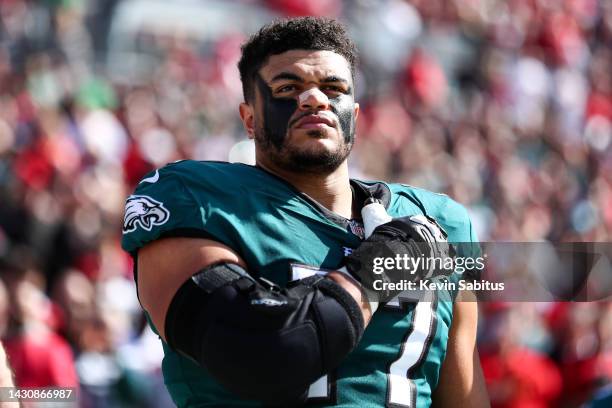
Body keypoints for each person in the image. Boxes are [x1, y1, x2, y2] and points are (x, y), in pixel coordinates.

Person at [121, 17, 489, 407]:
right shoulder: (198, 199)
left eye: (334, 88)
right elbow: (260, 356)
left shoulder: (440, 219)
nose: (315, 99)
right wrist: (379, 264)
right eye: (288, 87)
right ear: (249, 118)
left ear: (355, 115)